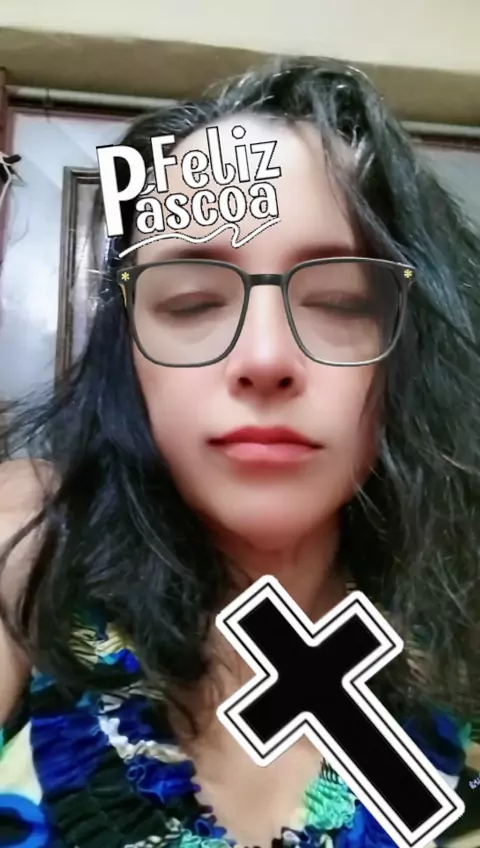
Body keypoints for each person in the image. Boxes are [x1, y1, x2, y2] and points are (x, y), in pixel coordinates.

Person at [0, 56, 479, 848]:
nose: (264, 357)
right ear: (129, 356)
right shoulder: (30, 551)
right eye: (192, 301)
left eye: (340, 301)